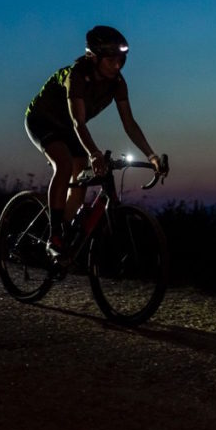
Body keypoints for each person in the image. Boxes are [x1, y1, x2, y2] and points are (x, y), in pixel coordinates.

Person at [25, 25, 167, 259]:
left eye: (121, 60)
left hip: (69, 128)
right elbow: (79, 123)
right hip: (43, 120)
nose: (117, 65)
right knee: (64, 164)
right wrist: (94, 153)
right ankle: (53, 236)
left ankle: (63, 243)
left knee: (80, 182)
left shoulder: (117, 83)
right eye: (111, 60)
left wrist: (151, 156)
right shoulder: (77, 77)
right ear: (94, 57)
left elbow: (129, 122)